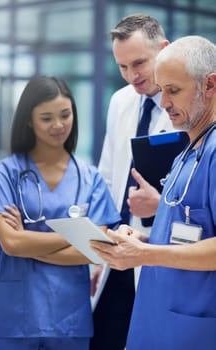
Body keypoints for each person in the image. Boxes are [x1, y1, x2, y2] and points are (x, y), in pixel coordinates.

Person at [90, 35, 216, 350]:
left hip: (192, 329)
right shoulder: (187, 152)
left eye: (173, 91)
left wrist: (147, 254)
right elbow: (190, 233)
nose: (163, 103)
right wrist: (144, 241)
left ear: (210, 85)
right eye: (162, 91)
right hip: (158, 321)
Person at [0, 76, 120, 350]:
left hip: (68, 320)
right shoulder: (5, 175)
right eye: (46, 118)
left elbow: (96, 251)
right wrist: (76, 232)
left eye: (65, 115)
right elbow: (11, 243)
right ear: (29, 121)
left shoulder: (90, 178)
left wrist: (27, 242)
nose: (58, 125)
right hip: (12, 318)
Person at [90, 13, 174, 350]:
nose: (131, 76)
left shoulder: (189, 108)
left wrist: (160, 205)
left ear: (164, 50)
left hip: (156, 250)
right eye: (122, 67)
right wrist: (97, 253)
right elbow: (107, 176)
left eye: (138, 63)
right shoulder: (120, 101)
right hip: (117, 252)